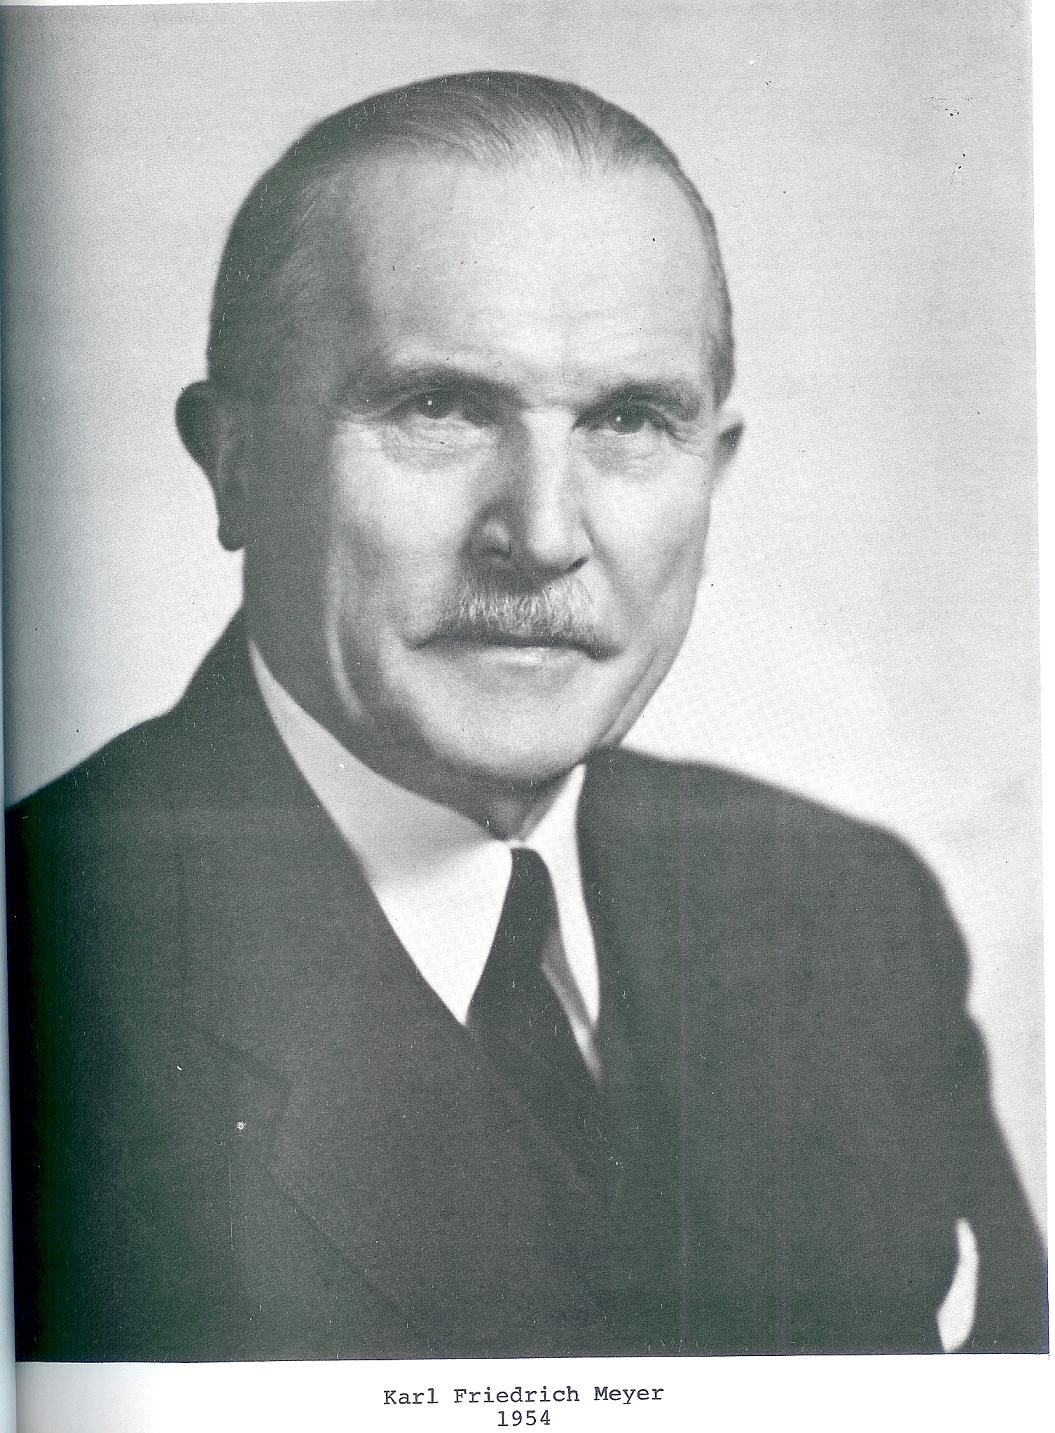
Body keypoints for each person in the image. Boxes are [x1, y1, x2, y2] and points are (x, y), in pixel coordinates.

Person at [6, 71, 1046, 1361]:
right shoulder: (37, 964)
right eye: (439, 408)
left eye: (629, 420)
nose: (544, 535)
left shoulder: (846, 913)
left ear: (712, 473)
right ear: (235, 461)